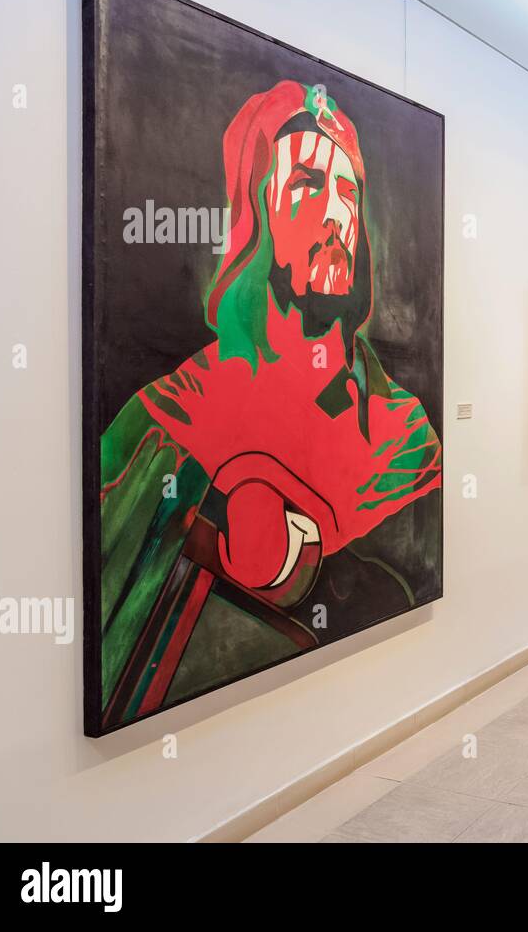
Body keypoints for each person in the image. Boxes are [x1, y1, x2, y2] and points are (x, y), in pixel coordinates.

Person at [97, 81, 442, 732]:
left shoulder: (403, 436)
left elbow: (410, 574)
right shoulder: (170, 419)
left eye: (348, 192)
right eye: (309, 185)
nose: (338, 214)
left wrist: (293, 560)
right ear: (257, 212)